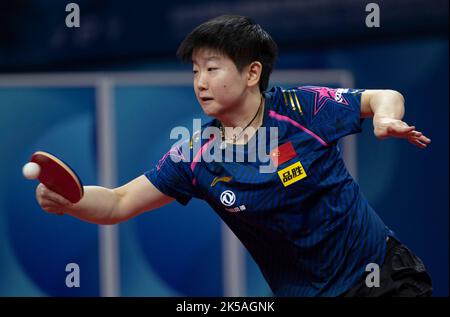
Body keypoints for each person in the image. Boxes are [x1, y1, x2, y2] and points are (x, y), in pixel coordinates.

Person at [35, 15, 432, 297]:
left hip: (383, 277)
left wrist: (383, 119)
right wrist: (71, 199)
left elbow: (385, 96)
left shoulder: (302, 108)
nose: (200, 82)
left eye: (212, 68)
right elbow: (118, 202)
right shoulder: (197, 157)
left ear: (252, 73)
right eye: (194, 71)